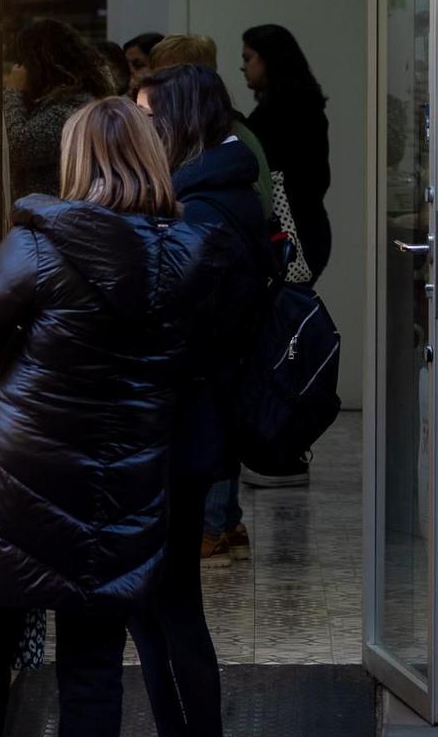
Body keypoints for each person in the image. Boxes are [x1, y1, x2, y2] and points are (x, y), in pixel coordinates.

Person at [0, 98, 232, 737]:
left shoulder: (39, 245)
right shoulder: (194, 257)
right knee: (93, 669)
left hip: (13, 483)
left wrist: (13, 355)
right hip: (120, 489)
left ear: (75, 159)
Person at [127, 65, 271, 735]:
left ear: (179, 123)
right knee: (156, 599)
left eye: (148, 117)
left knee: (170, 600)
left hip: (180, 428)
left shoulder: (205, 208)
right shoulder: (214, 193)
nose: (138, 130)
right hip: (181, 423)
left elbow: (187, 326)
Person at [237, 24, 331, 487]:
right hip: (302, 236)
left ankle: (276, 443)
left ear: (271, 61)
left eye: (250, 56)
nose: (243, 65)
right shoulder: (303, 106)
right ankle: (279, 444)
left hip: (290, 241)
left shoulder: (281, 112)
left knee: (279, 345)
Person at [149, 34, 272, 213]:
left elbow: (263, 206)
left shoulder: (234, 134)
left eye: (164, 80)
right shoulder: (175, 131)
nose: (156, 90)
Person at [2, 18, 112, 201]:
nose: (19, 69)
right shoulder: (71, 101)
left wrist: (13, 92)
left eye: (23, 61)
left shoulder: (70, 109)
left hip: (54, 217)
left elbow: (18, 148)